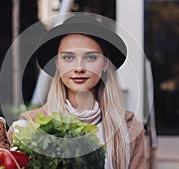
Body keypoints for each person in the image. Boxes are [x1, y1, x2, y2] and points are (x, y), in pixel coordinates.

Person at [8, 13, 147, 169]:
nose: (79, 68)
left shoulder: (129, 129)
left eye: (90, 57)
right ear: (57, 64)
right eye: (68, 58)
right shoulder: (28, 127)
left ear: (106, 63)